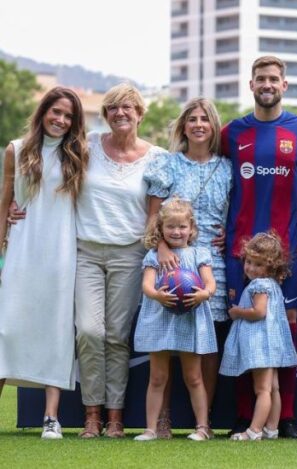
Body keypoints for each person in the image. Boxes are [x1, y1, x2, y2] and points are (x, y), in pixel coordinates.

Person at [221, 55, 297, 438]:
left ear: (284, 85)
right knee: (243, 326)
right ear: (251, 85)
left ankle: (288, 418)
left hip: (289, 250)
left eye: (273, 79)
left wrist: (293, 205)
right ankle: (246, 418)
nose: (267, 84)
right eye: (260, 78)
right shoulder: (231, 133)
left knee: (287, 328)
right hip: (240, 252)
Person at [74, 83, 165, 438]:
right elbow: (50, 173)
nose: (120, 113)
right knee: (89, 331)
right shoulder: (88, 144)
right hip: (86, 251)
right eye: (113, 108)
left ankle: (113, 417)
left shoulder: (156, 156)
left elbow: (159, 212)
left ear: (140, 114)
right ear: (106, 115)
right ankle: (91, 414)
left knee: (116, 336)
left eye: (127, 107)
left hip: (130, 253)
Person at [0, 87, 89, 439]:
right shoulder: (16, 150)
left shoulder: (80, 153)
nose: (61, 120)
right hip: (22, 250)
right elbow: (5, 202)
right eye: (56, 112)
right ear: (43, 112)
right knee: (6, 328)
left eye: (68, 116)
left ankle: (51, 418)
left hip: (61, 252)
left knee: (57, 330)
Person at [144, 97, 232, 435]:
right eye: (192, 119)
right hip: (170, 259)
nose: (198, 124)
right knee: (166, 340)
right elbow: (153, 215)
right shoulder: (168, 164)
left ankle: (203, 422)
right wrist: (162, 246)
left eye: (204, 119)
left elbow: (235, 210)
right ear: (183, 126)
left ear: (213, 126)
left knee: (205, 342)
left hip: (212, 261)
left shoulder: (226, 167)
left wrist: (230, 233)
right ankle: (162, 419)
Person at [133, 198, 217, 441]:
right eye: (170, 227)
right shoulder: (153, 256)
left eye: (182, 226)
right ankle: (151, 429)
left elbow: (210, 283)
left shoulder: (200, 254)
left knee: (193, 376)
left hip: (189, 319)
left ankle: (202, 427)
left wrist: (204, 293)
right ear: (161, 229)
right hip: (160, 318)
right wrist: (157, 295)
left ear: (191, 228)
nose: (177, 232)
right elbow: (147, 285)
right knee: (157, 377)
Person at [220, 232, 297, 441]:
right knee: (273, 388)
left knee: (262, 389)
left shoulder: (259, 285)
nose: (251, 268)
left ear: (271, 267)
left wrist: (237, 312)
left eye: (258, 264)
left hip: (260, 344)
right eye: (249, 262)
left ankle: (254, 430)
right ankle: (271, 428)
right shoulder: (273, 285)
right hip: (271, 343)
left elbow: (259, 312)